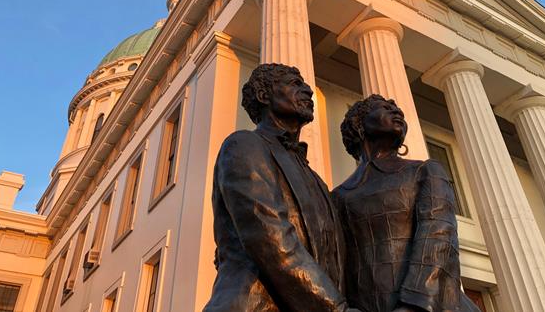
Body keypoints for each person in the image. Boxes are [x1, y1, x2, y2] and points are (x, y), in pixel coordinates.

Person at [204, 63, 360, 312]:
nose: (308, 90)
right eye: (295, 83)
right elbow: (269, 237)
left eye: (306, 85)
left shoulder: (315, 178)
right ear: (264, 96)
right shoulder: (244, 145)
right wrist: (336, 309)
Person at [332, 95, 480, 312]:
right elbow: (337, 262)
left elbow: (438, 237)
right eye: (385, 107)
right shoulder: (339, 196)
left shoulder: (425, 171)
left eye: (397, 109)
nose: (397, 112)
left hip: (425, 306)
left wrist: (414, 304)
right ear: (359, 124)